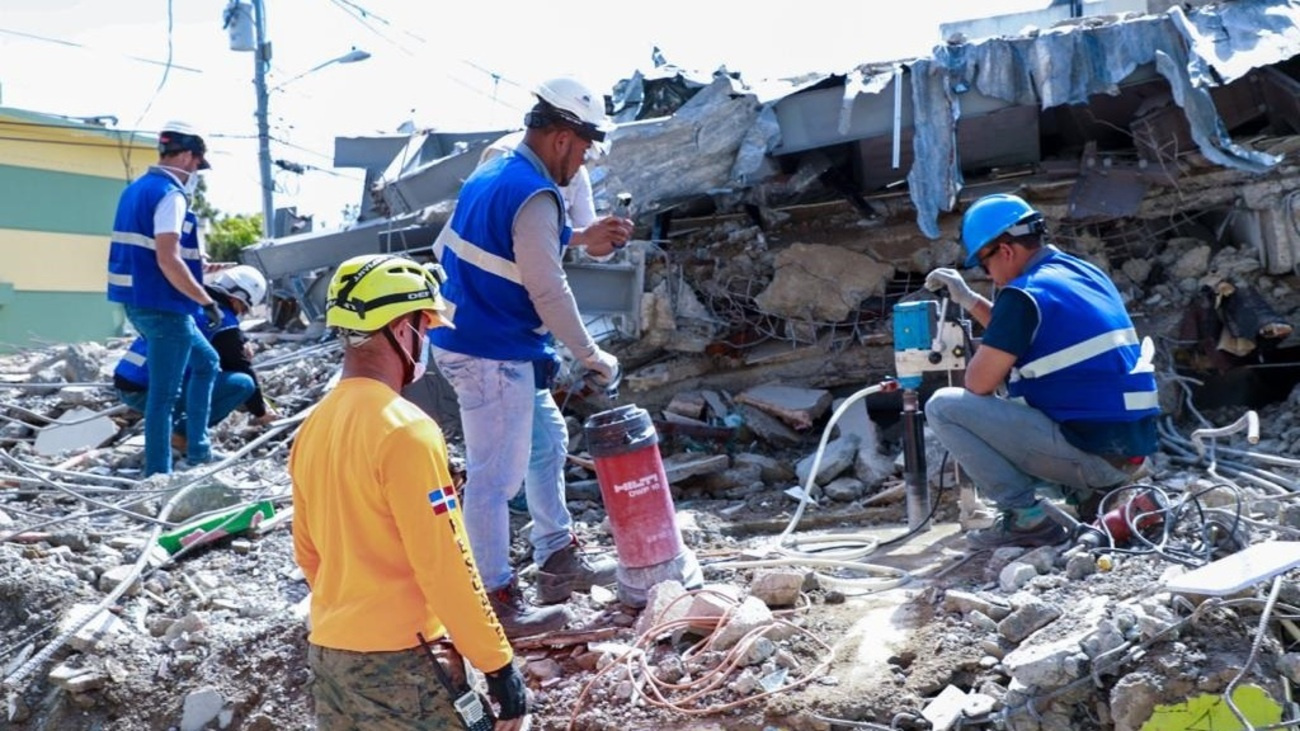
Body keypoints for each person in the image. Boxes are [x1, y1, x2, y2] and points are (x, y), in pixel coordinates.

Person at [290, 254, 529, 730]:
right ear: (402, 328)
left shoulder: (312, 429)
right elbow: (445, 562)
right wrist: (497, 663)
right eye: (426, 326)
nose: (428, 341)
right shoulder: (406, 431)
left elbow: (309, 554)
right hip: (404, 665)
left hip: (331, 655)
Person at [430, 76, 623, 638]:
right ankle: (497, 604)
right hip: (491, 354)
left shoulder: (498, 170)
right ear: (563, 138)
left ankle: (556, 557)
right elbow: (548, 288)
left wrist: (582, 236)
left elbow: (491, 243)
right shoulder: (535, 192)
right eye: (584, 147)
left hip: (487, 342)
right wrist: (592, 355)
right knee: (494, 481)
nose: (584, 159)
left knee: (547, 443)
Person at [922, 193, 1160, 549]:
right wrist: (970, 300)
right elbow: (1027, 334)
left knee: (944, 406)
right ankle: (1087, 496)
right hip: (1127, 453)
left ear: (1005, 251)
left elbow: (978, 383)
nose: (987, 274)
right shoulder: (1081, 273)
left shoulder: (1023, 294)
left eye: (984, 265)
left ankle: (1025, 518)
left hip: (1094, 459)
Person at [106, 120, 221, 476]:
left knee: (207, 363)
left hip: (142, 302)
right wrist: (206, 300)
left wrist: (198, 268)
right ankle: (158, 473)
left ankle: (199, 450)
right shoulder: (170, 195)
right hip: (164, 307)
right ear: (187, 156)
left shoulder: (137, 189)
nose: (195, 172)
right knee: (163, 397)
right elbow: (167, 258)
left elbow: (154, 251)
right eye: (196, 164)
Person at [114, 265, 278, 456]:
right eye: (243, 308)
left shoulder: (188, 300)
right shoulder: (224, 322)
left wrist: (240, 341)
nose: (240, 313)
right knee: (242, 384)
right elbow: (240, 368)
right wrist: (260, 412)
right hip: (150, 390)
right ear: (236, 299)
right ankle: (183, 435)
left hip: (126, 381)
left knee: (200, 373)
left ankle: (169, 434)